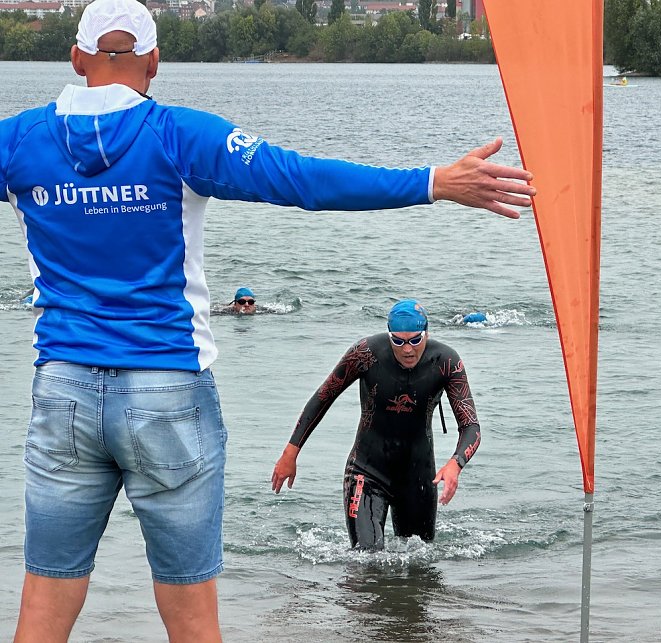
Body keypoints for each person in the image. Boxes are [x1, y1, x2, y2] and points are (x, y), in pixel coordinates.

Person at [0, 0, 533, 638]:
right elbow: (300, 179)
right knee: (192, 617)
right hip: (166, 388)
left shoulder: (19, 141)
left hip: (64, 392)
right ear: (155, 61)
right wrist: (430, 181)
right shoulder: (178, 135)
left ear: (76, 58)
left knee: (44, 603)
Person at [271, 300, 481, 551]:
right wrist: (291, 452)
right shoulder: (366, 353)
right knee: (366, 560)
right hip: (367, 471)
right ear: (389, 334)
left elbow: (471, 426)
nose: (407, 350)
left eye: (415, 340)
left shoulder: (446, 361)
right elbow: (323, 397)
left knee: (421, 569)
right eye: (398, 341)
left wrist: (456, 463)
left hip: (419, 478)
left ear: (427, 333)